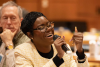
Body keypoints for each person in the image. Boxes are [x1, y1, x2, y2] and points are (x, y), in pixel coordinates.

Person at [15, 12, 89, 67]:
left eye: (49, 25)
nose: (49, 29)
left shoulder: (63, 47)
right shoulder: (22, 52)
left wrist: (80, 53)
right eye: (41, 27)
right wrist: (58, 57)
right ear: (30, 35)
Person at [0, 1, 30, 67]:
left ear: (20, 22)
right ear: (0, 22)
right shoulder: (4, 36)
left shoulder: (28, 42)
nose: (8, 22)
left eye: (13, 18)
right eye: (5, 18)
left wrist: (9, 44)